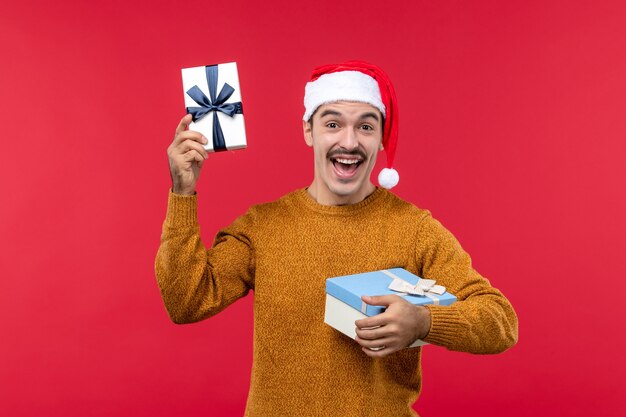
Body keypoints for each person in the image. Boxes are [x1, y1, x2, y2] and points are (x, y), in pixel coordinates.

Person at [155, 60, 518, 416]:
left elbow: (500, 321)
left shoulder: (415, 230)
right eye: (332, 123)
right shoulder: (262, 226)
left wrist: (424, 322)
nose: (349, 141)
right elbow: (186, 301)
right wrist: (182, 193)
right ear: (308, 131)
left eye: (365, 126)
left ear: (380, 139)